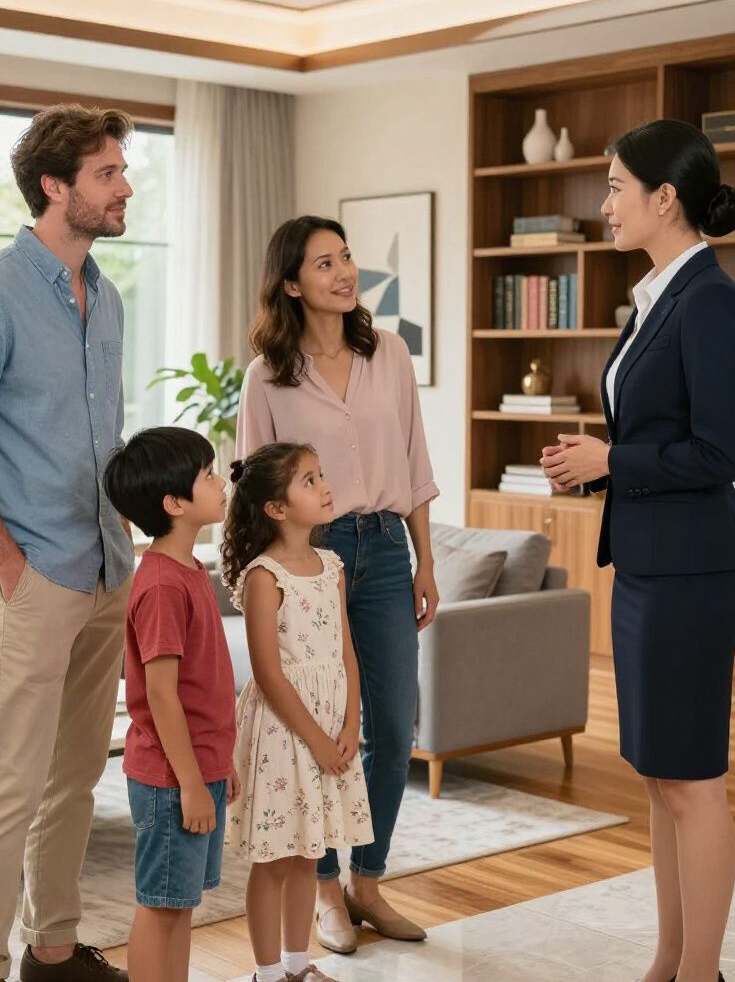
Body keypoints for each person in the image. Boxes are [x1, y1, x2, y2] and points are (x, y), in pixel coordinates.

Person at [0, 103, 136, 982]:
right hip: (31, 577)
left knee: (75, 778)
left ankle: (52, 949)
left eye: (122, 171)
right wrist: (9, 565)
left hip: (103, 569)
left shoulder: (105, 297)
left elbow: (102, 440)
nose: (125, 188)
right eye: (107, 173)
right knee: (8, 785)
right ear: (55, 186)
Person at [540, 119, 735, 982]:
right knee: (663, 780)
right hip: (647, 572)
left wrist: (613, 462)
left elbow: (723, 453)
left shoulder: (709, 299)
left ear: (665, 198)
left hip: (692, 578)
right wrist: (594, 467)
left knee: (693, 783)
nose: (605, 204)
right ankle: (670, 961)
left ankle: (702, 972)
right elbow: (655, 434)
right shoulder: (657, 296)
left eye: (616, 187)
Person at [236, 216, 439, 953]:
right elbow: (254, 482)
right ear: (292, 284)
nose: (344, 271)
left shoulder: (390, 352)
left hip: (383, 547)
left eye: (346, 257)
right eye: (324, 263)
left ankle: (368, 881)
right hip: (305, 557)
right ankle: (323, 891)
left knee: (394, 719)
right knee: (312, 724)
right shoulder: (267, 376)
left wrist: (425, 560)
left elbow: (415, 461)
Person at [222, 443, 373, 982]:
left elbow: (346, 653)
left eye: (321, 475)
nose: (325, 486)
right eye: (310, 480)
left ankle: (296, 966)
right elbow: (268, 674)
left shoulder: (331, 567)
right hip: (284, 734)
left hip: (330, 727)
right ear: (276, 508)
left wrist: (351, 722)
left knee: (309, 852)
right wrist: (316, 739)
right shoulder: (264, 577)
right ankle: (267, 974)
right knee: (274, 859)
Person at [103, 426, 239, 982]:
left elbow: (200, 688)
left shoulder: (190, 569)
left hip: (197, 768)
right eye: (208, 474)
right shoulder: (161, 585)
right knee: (160, 905)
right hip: (170, 779)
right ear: (174, 503)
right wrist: (190, 783)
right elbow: (161, 696)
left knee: (181, 904)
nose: (221, 481)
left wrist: (218, 766)